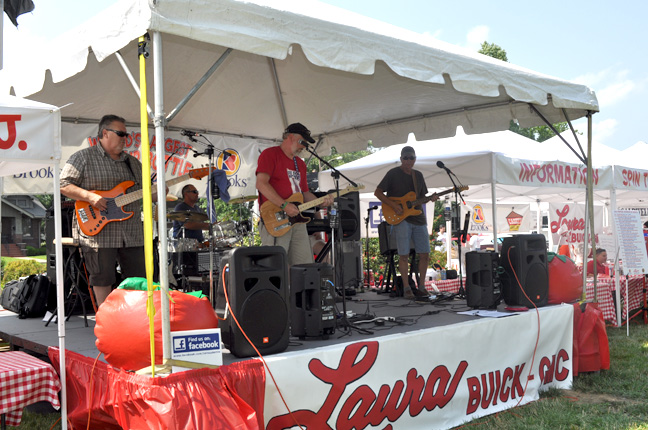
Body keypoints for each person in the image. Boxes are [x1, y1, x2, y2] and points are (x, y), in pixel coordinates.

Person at [60, 114, 151, 306]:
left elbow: (145, 194)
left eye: (126, 134)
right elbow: (63, 185)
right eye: (121, 133)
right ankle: (105, 323)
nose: (125, 138)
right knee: (102, 278)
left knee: (139, 278)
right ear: (104, 133)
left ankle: (134, 318)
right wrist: (90, 197)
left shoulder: (133, 163)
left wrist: (158, 191)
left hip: (132, 232)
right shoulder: (83, 157)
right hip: (99, 232)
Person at [256, 123, 333, 266]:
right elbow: (261, 184)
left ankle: (301, 289)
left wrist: (321, 202)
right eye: (301, 142)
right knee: (277, 267)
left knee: (304, 265)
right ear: (290, 137)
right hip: (276, 218)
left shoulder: (300, 164)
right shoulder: (270, 154)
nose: (303, 147)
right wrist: (284, 205)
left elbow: (304, 193)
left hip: (297, 220)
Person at [374, 146, 438, 299]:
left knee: (425, 254)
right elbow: (378, 192)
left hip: (419, 218)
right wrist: (394, 205)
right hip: (401, 219)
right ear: (401, 159)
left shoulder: (418, 176)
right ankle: (406, 287)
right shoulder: (392, 173)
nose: (409, 161)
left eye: (412, 158)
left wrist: (431, 198)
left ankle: (421, 286)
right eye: (406, 158)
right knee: (403, 254)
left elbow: (421, 198)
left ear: (415, 159)